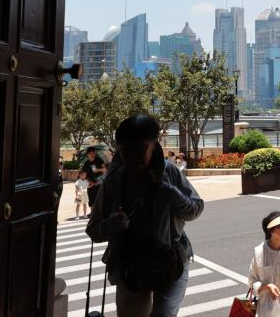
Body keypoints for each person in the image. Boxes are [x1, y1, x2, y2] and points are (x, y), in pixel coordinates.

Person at [86, 114, 205, 317]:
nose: (133, 156)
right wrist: (113, 224)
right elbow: (93, 231)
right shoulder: (113, 181)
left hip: (171, 261)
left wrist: (170, 192)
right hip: (130, 266)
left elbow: (195, 209)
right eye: (126, 150)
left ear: (154, 145)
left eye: (140, 148)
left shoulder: (169, 172)